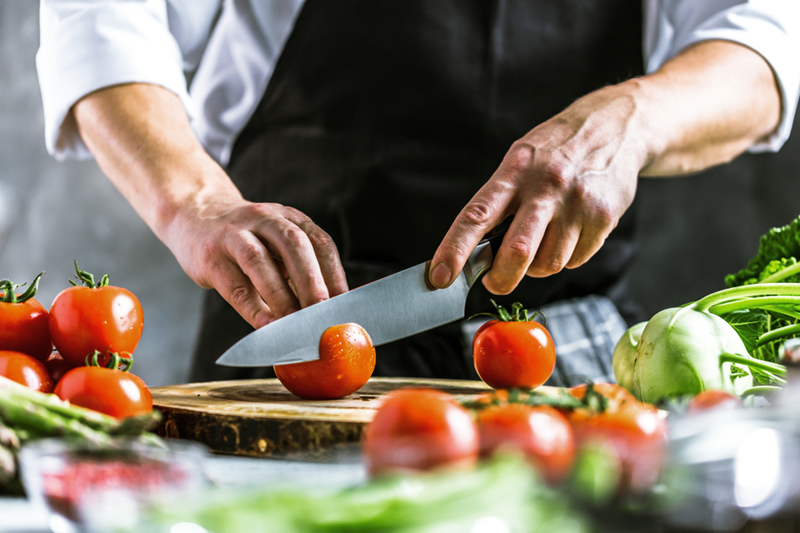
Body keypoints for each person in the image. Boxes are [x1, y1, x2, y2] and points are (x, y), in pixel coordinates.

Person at [37, 1, 800, 386]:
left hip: (556, 363)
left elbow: (765, 37)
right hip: (294, 352)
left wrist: (636, 117)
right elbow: (103, 13)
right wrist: (190, 200)